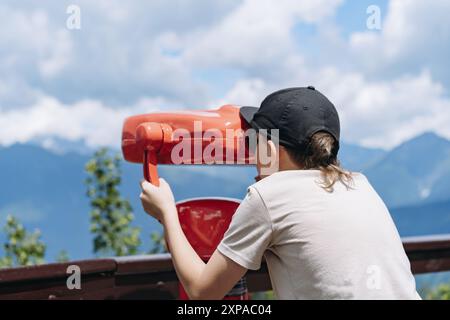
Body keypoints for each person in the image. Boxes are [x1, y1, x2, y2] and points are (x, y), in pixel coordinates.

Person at [140, 86, 420, 300]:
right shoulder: (360, 185)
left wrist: (166, 213)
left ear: (271, 150)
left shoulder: (269, 195)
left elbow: (203, 292)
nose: (250, 155)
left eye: (253, 142)